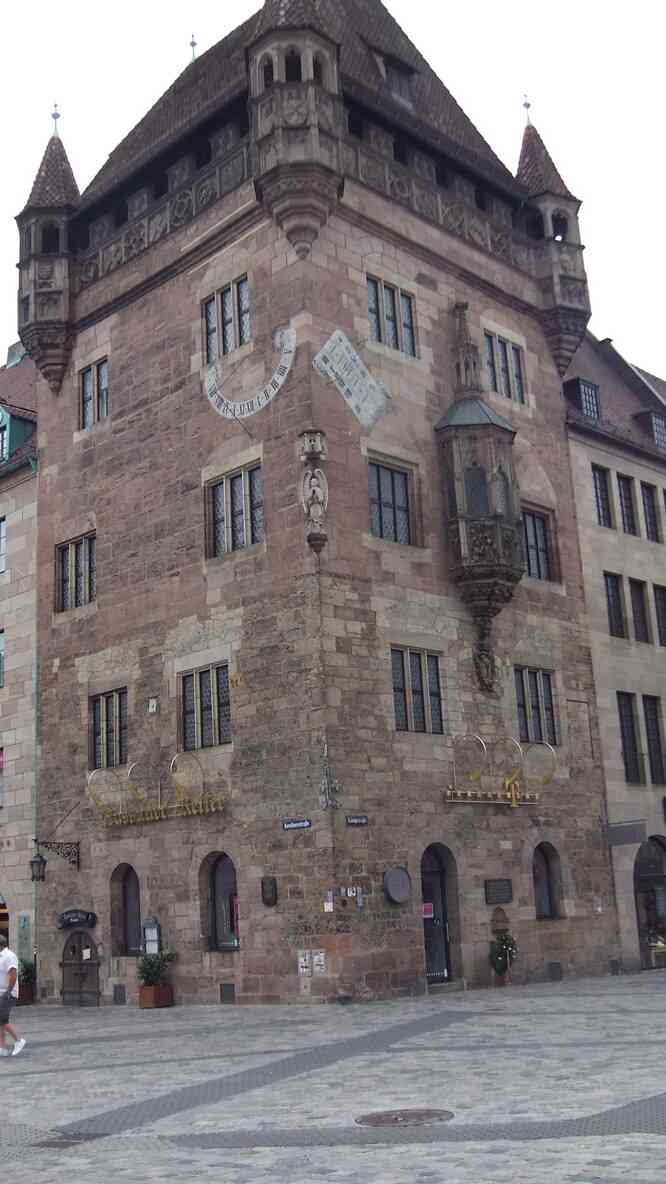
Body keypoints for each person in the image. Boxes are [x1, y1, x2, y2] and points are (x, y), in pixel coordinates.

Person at [0, 934, 25, 1057]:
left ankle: (18, 1041)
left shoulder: (9, 956)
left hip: (7, 993)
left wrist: (8, 991)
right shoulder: (1, 956)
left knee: (2, 1020)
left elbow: (13, 974)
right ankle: (2, 1047)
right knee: (1, 1020)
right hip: (2, 992)